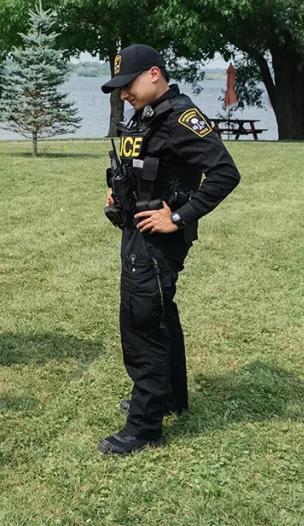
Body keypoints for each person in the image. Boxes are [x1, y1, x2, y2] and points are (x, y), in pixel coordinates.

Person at [98, 44, 241, 455]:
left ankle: (144, 427)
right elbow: (141, 166)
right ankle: (169, 399)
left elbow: (225, 174)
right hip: (136, 230)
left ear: (155, 74)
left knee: (143, 324)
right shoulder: (145, 115)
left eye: (129, 85)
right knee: (162, 315)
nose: (123, 93)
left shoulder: (180, 117)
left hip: (158, 241)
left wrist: (177, 217)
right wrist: (117, 189)